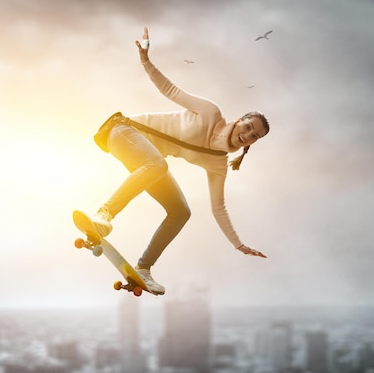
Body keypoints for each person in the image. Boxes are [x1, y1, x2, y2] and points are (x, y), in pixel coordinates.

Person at [73, 26, 269, 295]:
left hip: (146, 160)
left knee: (181, 211)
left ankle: (144, 267)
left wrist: (238, 244)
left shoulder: (218, 163)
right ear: (239, 120)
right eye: (248, 127)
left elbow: (218, 208)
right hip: (125, 131)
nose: (247, 136)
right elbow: (171, 90)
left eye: (254, 137)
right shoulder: (211, 112)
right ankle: (103, 215)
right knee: (158, 165)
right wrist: (146, 60)